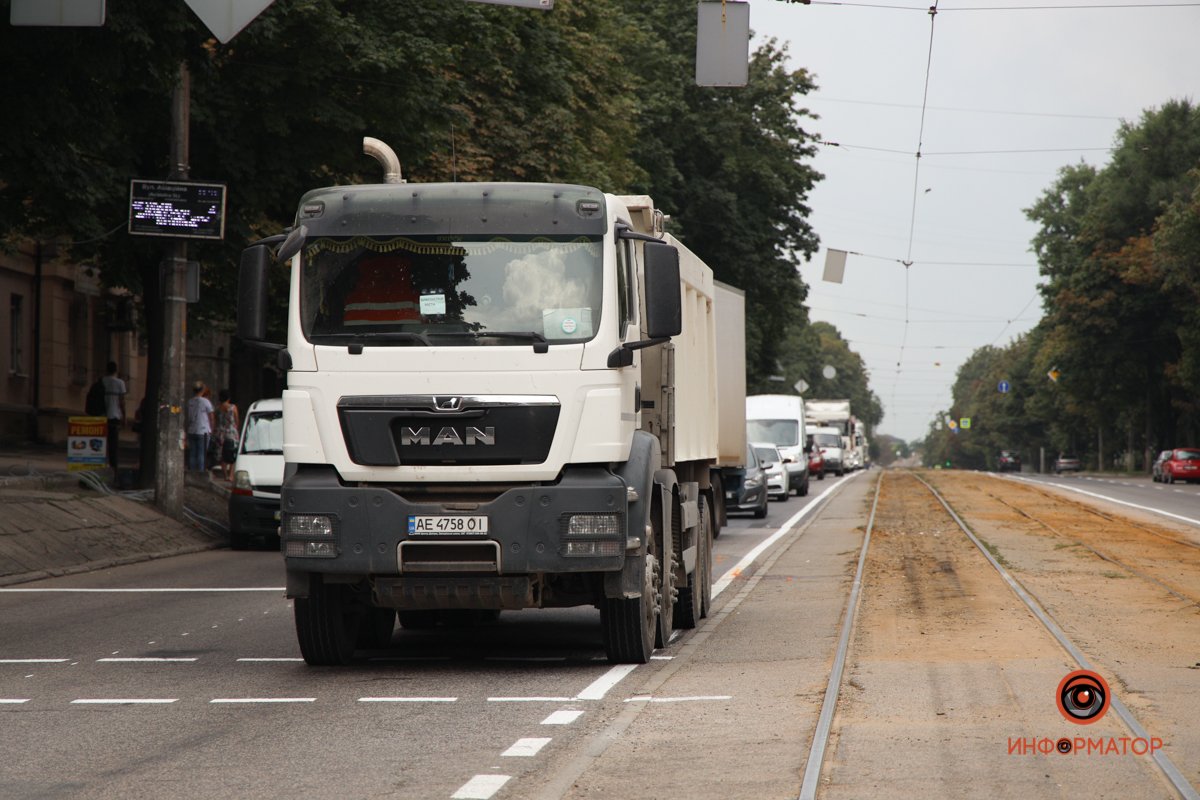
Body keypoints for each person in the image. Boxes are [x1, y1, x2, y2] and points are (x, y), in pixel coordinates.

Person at [101, 361, 127, 471]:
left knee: (101, 441)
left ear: (106, 370)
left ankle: (101, 463)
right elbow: (122, 402)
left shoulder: (102, 381)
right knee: (113, 443)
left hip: (102, 415)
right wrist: (124, 417)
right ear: (116, 370)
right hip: (115, 415)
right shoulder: (120, 383)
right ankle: (113, 466)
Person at [185, 381, 215, 473]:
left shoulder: (190, 402)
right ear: (202, 390)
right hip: (203, 431)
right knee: (202, 454)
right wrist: (212, 429)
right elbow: (211, 417)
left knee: (193, 453)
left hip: (192, 430)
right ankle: (201, 473)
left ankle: (192, 473)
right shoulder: (206, 402)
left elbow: (188, 416)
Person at [215, 389, 241, 482]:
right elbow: (236, 420)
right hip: (231, 432)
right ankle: (231, 475)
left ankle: (225, 475)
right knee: (232, 453)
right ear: (228, 398)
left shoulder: (218, 408)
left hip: (221, 433)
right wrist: (236, 429)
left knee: (222, 454)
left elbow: (216, 421)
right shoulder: (233, 407)